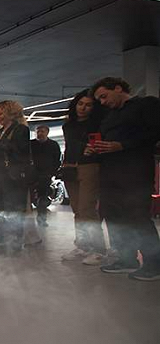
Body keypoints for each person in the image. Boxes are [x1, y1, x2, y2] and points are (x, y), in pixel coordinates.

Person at [88, 77, 160, 280]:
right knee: (113, 216)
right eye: (99, 99)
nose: (103, 102)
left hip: (135, 171)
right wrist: (95, 149)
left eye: (104, 96)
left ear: (118, 88)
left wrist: (123, 145)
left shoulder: (146, 105)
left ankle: (154, 264)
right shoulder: (109, 117)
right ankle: (126, 258)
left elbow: (155, 133)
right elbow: (105, 141)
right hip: (110, 172)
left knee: (137, 216)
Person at [60, 90, 108, 265]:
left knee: (87, 208)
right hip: (70, 167)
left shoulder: (97, 124)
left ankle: (98, 249)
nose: (83, 108)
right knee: (77, 210)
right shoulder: (68, 125)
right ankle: (83, 245)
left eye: (88, 105)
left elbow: (98, 145)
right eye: (80, 104)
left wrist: (89, 149)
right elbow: (70, 146)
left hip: (89, 166)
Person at [0, 100, 31, 256]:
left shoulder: (21, 130)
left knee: (13, 212)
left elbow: (19, 152)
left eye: (1, 113)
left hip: (13, 179)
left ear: (11, 113)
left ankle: (14, 247)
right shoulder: (1, 131)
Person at [30, 125, 61, 226]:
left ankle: (42, 218)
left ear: (47, 132)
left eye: (42, 131)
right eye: (38, 132)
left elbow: (57, 160)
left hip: (45, 175)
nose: (40, 134)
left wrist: (51, 172)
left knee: (43, 197)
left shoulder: (53, 145)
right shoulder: (31, 144)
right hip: (32, 175)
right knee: (29, 196)